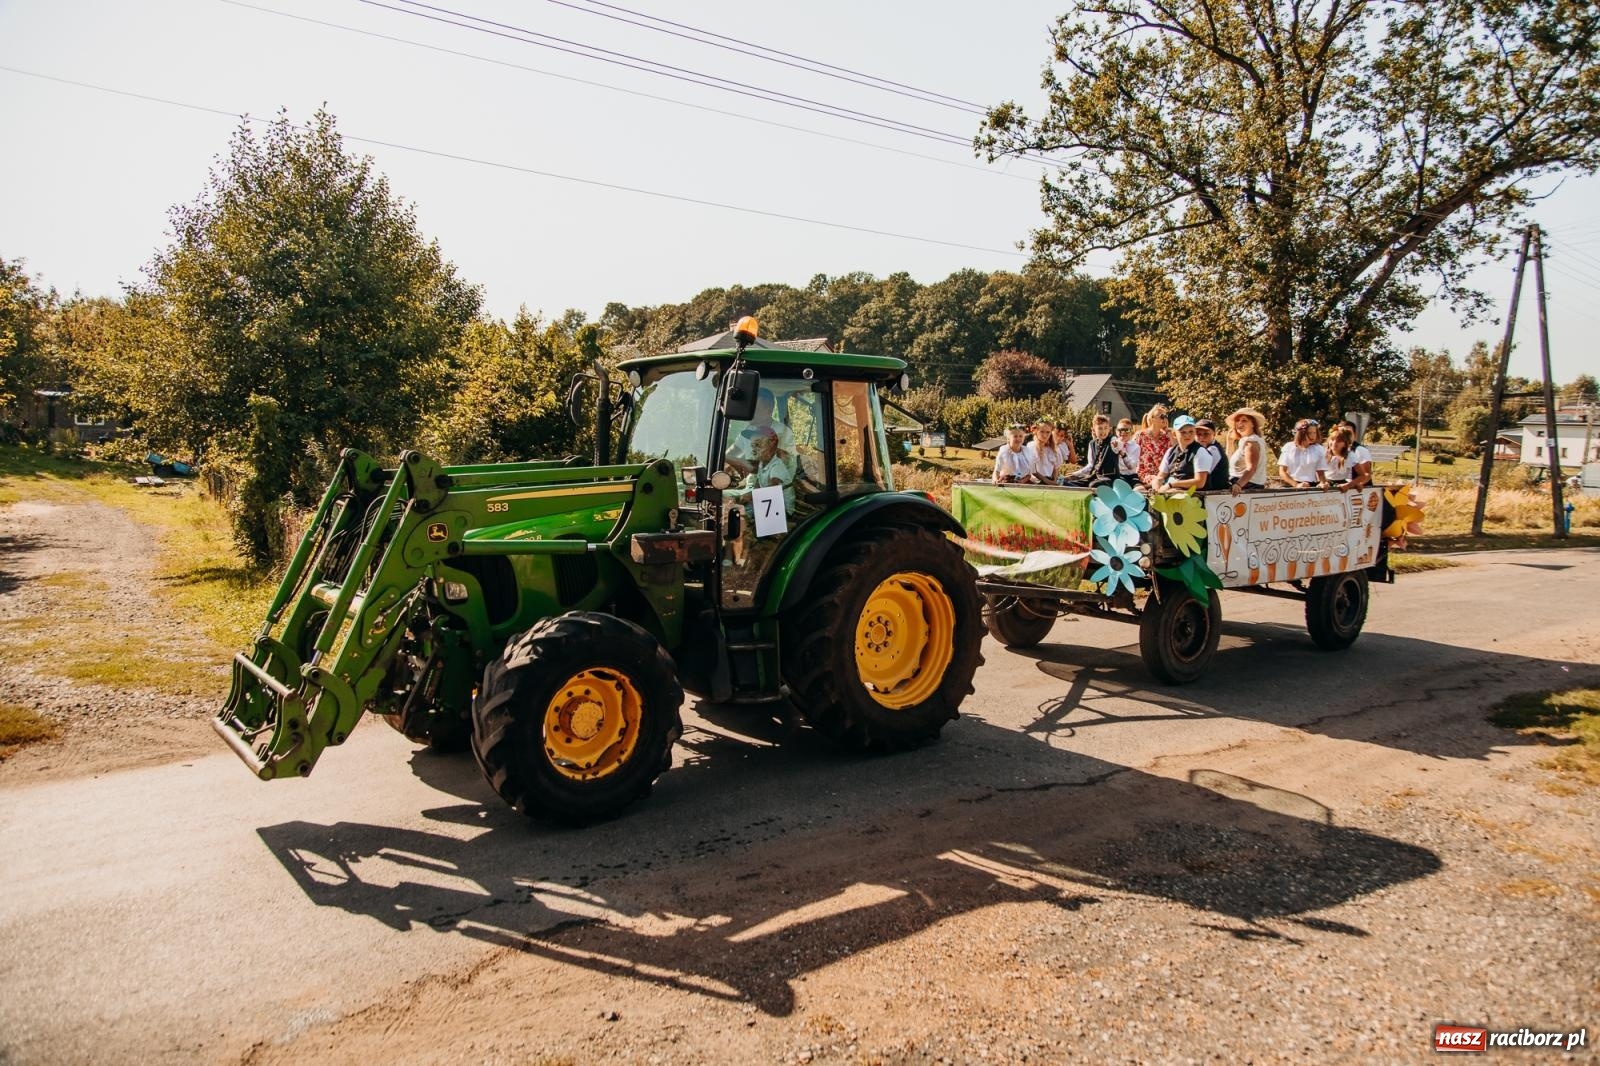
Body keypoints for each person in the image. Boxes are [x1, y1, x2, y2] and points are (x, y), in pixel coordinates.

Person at [725, 388, 795, 476]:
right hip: (752, 486)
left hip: (776, 487)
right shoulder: (749, 431)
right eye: (749, 408)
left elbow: (776, 466)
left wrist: (741, 462)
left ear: (769, 409)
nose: (749, 412)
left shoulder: (783, 433)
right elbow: (732, 453)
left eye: (755, 408)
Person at [1064, 414, 1119, 485]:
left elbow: (1118, 445)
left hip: (1109, 478)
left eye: (1106, 428)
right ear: (1093, 430)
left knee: (1093, 484)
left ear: (1109, 429)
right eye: (1100, 428)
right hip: (1094, 476)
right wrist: (1075, 474)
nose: (1103, 431)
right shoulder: (1092, 444)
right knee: (1070, 483)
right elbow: (1091, 465)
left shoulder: (1113, 440)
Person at [1226, 407, 1269, 494]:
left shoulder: (1251, 442)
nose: (1239, 423)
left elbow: (1251, 468)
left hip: (1247, 486)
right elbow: (1228, 461)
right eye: (1237, 420)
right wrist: (1229, 442)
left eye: (1244, 420)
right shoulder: (1245, 441)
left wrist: (1238, 485)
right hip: (1243, 484)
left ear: (1253, 424)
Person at [1278, 418, 1327, 488]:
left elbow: (1321, 473)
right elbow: (1282, 471)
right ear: (1301, 433)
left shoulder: (1318, 449)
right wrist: (1296, 485)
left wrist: (1323, 483)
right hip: (1292, 486)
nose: (1313, 435)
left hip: (1311, 485)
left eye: (1314, 432)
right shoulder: (1289, 447)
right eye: (1309, 433)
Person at [1133, 404, 1172, 490]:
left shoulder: (1167, 437)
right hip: (1144, 476)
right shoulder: (1140, 435)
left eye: (1165, 416)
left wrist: (1169, 434)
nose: (1164, 418)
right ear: (1152, 419)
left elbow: (1176, 453)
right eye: (1161, 416)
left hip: (1162, 476)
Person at [1154, 416, 1198, 491]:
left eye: (1191, 431)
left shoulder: (1199, 451)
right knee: (1139, 489)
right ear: (1174, 434)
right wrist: (1157, 486)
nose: (1187, 435)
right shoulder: (1170, 451)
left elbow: (1200, 482)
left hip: (1189, 493)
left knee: (1172, 491)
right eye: (1183, 432)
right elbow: (1161, 476)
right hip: (1169, 488)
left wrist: (1171, 485)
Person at [1334, 419, 1374, 489]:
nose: (1345, 436)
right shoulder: (1334, 450)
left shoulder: (1360, 450)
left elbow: (1367, 474)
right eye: (1342, 433)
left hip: (1355, 491)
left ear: (1355, 435)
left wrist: (1358, 484)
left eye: (1349, 433)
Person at [1026, 418, 1065, 483]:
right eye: (1042, 432)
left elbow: (1055, 468)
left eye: (1048, 432)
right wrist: (1045, 480)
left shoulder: (1053, 448)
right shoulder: (1032, 446)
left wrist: (1054, 480)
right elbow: (1032, 469)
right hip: (1036, 481)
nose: (1045, 435)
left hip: (1050, 479)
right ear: (1036, 431)